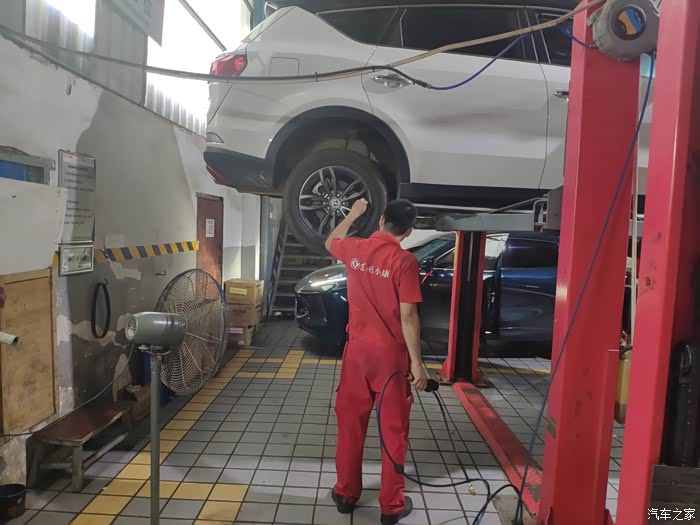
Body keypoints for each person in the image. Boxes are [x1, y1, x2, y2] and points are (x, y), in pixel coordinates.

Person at [325, 198, 430, 525]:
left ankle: (346, 494)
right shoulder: (405, 261)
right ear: (409, 231)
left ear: (381, 219)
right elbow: (408, 316)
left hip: (356, 354)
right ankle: (391, 506)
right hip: (390, 360)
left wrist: (352, 214)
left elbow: (330, 242)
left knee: (350, 425)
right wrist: (417, 363)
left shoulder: (355, 248)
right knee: (393, 432)